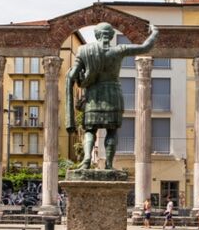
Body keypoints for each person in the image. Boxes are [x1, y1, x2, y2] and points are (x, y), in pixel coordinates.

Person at [65, 21, 159, 169]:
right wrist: (154, 32)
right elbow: (146, 47)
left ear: (96, 35)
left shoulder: (83, 50)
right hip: (113, 94)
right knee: (112, 130)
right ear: (111, 35)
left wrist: (75, 77)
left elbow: (72, 76)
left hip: (93, 96)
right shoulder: (119, 50)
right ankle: (108, 164)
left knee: (90, 129)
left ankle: (87, 159)